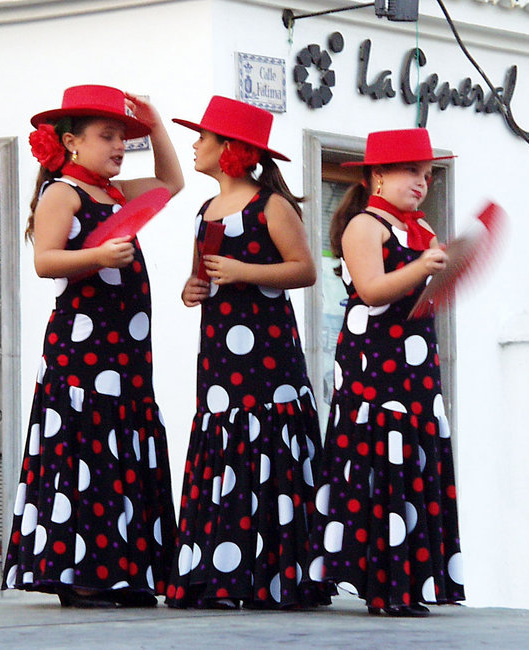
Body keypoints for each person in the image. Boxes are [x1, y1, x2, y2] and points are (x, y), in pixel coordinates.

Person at [1, 85, 184, 608]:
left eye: (124, 137)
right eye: (108, 136)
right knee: (91, 455)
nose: (120, 146)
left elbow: (173, 181)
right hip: (83, 353)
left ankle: (121, 572)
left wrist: (153, 122)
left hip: (126, 355)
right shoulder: (63, 192)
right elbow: (46, 261)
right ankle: (82, 576)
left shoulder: (118, 193)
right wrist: (100, 254)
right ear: (71, 142)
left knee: (120, 451)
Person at [164, 96, 329, 610]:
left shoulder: (270, 206)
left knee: (268, 447)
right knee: (225, 445)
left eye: (204, 137)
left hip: (269, 356)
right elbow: (202, 276)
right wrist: (191, 291)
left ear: (230, 149)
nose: (195, 144)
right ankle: (220, 575)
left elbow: (304, 269)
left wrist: (243, 274)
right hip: (219, 356)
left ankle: (272, 577)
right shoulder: (204, 211)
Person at [308, 128, 465, 617]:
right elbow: (374, 291)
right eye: (411, 171)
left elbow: (421, 297)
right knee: (381, 461)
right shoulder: (364, 225)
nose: (423, 182)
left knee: (412, 462)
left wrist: (442, 270)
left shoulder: (417, 231)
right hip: (375, 365)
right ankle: (383, 584)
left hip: (416, 365)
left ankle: (408, 581)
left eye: (426, 174)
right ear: (378, 174)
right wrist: (424, 268)